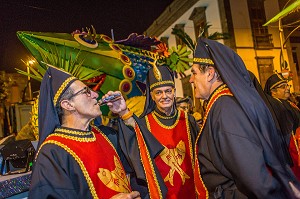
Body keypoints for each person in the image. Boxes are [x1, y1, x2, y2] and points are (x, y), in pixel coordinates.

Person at [190, 37, 300, 198]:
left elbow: (255, 178)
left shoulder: (225, 108)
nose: (191, 79)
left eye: (194, 72)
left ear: (210, 74)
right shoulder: (221, 104)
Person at [29, 66, 140, 199]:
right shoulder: (53, 152)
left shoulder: (106, 135)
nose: (95, 94)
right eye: (86, 92)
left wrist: (123, 112)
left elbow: (141, 156)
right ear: (68, 105)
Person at [105, 64, 199, 198]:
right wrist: (123, 112)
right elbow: (132, 143)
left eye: (168, 91)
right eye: (158, 92)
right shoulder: (144, 123)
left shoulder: (189, 120)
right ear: (152, 96)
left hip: (191, 191)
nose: (164, 96)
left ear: (174, 91)